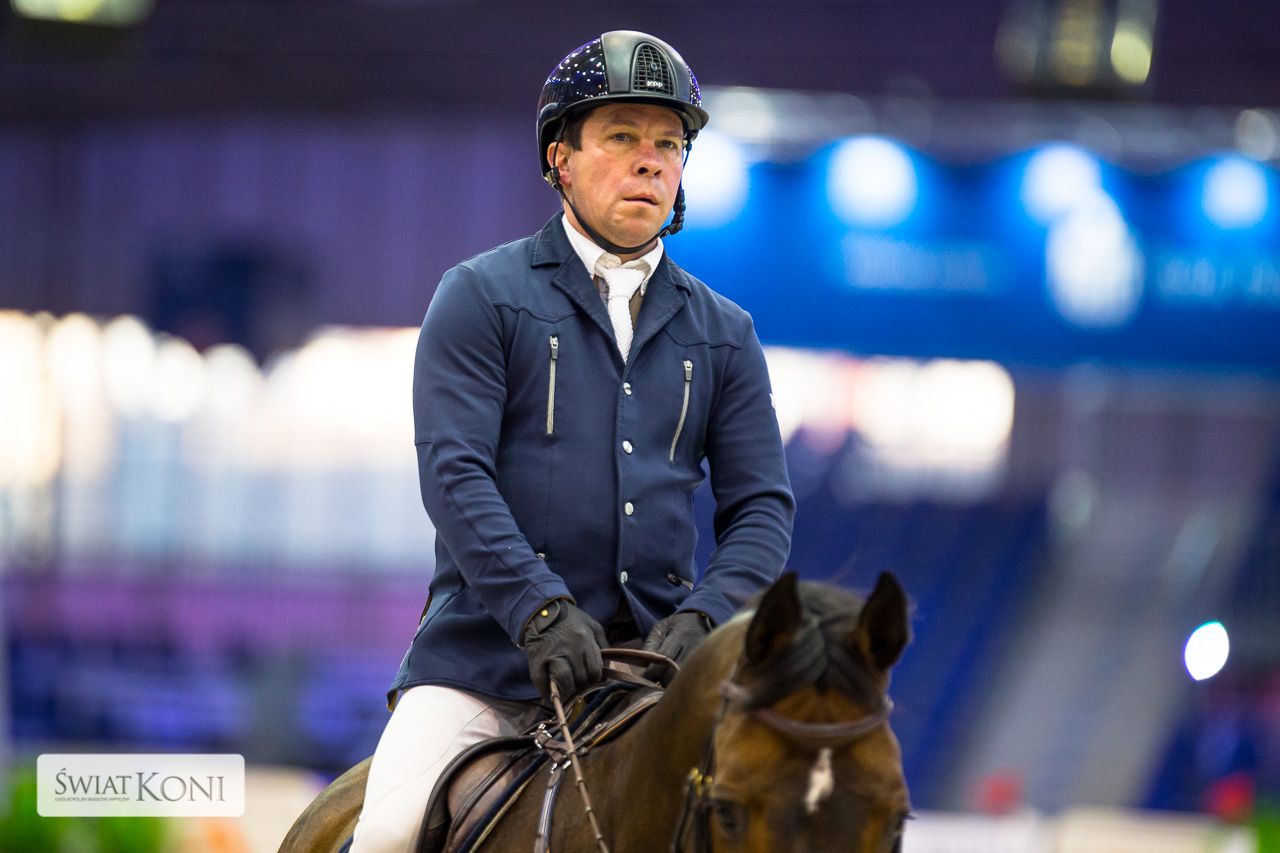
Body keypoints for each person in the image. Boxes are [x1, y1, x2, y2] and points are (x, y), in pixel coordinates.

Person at [349, 30, 795, 852]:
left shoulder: (725, 333)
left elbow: (763, 509)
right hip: (486, 667)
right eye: (622, 137)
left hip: (656, 672)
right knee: (389, 832)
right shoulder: (481, 296)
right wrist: (539, 609)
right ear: (560, 157)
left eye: (669, 144)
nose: (650, 162)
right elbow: (455, 474)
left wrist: (705, 617)